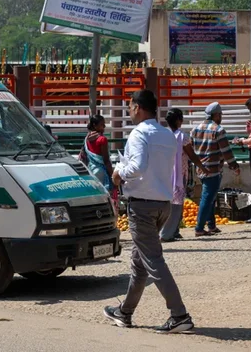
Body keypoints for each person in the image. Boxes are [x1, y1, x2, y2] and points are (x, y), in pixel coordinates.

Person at [103, 90, 193, 334]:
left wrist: (119, 172)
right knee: (140, 261)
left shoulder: (139, 133)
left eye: (130, 106)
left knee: (152, 260)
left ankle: (179, 315)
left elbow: (138, 166)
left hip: (142, 205)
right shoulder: (166, 134)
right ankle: (125, 312)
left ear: (138, 107)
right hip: (162, 203)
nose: (130, 111)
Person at [190, 103, 240, 237]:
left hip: (200, 169)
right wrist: (234, 165)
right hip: (212, 169)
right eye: (220, 115)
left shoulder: (195, 129)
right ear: (216, 115)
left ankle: (211, 225)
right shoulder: (218, 130)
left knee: (210, 197)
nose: (221, 117)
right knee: (207, 198)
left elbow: (191, 148)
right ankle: (199, 228)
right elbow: (226, 151)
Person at [161, 109, 205, 242]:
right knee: (176, 204)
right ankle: (167, 233)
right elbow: (192, 155)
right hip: (179, 174)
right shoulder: (182, 137)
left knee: (170, 202)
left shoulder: (164, 135)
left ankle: (174, 231)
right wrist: (203, 167)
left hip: (165, 173)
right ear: (178, 121)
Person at [78, 114, 114, 200]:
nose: (104, 126)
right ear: (95, 125)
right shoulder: (102, 139)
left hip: (91, 170)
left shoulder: (87, 138)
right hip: (101, 172)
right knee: (104, 198)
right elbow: (106, 161)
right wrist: (112, 176)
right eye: (102, 124)